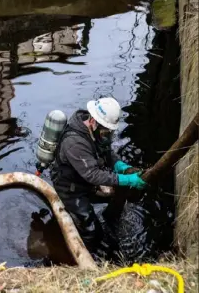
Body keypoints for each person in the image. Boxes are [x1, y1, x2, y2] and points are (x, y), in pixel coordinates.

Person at [50, 97, 146, 254]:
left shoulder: (96, 133)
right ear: (93, 122)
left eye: (110, 131)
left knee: (112, 196)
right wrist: (126, 179)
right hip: (70, 188)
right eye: (105, 131)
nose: (107, 135)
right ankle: (84, 255)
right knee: (91, 231)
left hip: (84, 179)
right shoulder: (75, 143)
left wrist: (120, 165)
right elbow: (93, 175)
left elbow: (106, 151)